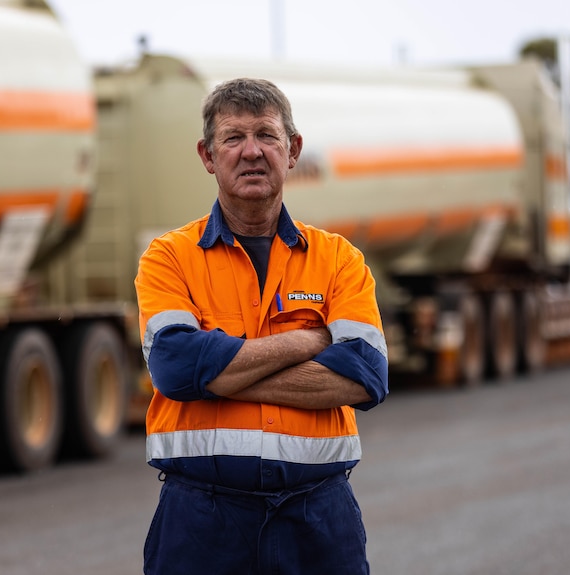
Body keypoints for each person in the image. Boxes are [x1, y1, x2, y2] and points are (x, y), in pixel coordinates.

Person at [134, 77, 389, 575]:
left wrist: (222, 373)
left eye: (266, 135)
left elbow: (365, 376)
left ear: (292, 150)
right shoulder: (169, 258)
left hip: (318, 520)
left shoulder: (338, 260)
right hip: (202, 523)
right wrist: (308, 340)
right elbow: (176, 369)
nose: (251, 151)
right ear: (208, 156)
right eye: (233, 138)